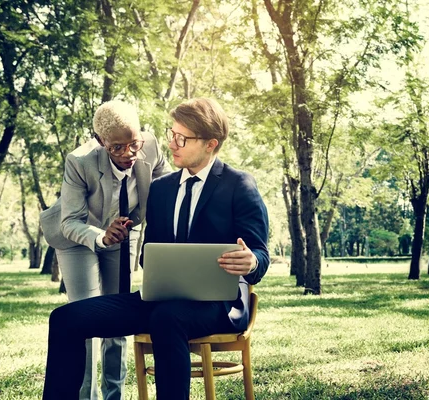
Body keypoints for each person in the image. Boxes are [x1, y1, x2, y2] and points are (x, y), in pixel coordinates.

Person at [42, 97, 270, 400]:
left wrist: (251, 261)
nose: (172, 144)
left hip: (221, 305)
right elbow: (151, 251)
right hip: (163, 299)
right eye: (171, 134)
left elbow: (260, 255)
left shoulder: (240, 185)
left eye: (182, 138)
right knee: (65, 319)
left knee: (167, 318)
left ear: (210, 144)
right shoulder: (161, 189)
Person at [39, 100, 171, 400]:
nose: (128, 153)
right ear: (100, 142)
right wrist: (100, 236)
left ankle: (115, 395)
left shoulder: (150, 146)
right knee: (83, 317)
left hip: (125, 231)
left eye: (133, 143)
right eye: (117, 147)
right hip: (77, 235)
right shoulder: (80, 160)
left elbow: (165, 191)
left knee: (119, 314)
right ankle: (87, 396)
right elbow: (71, 220)